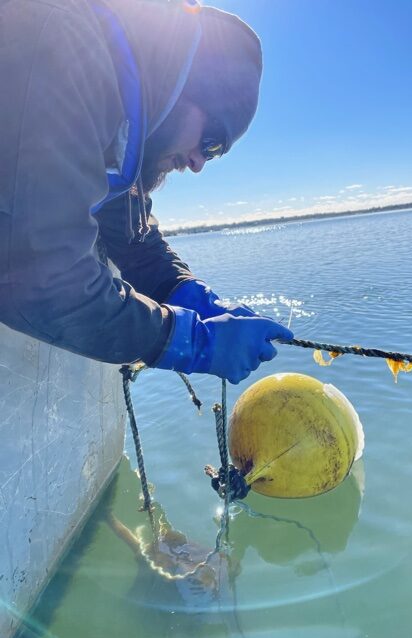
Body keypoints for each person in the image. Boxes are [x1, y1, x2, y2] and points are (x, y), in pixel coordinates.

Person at [0, 0, 293, 384]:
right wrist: (189, 339)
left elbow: (130, 233)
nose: (198, 164)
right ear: (186, 86)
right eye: (211, 143)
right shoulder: (64, 48)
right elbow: (44, 277)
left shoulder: (120, 117)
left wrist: (180, 287)